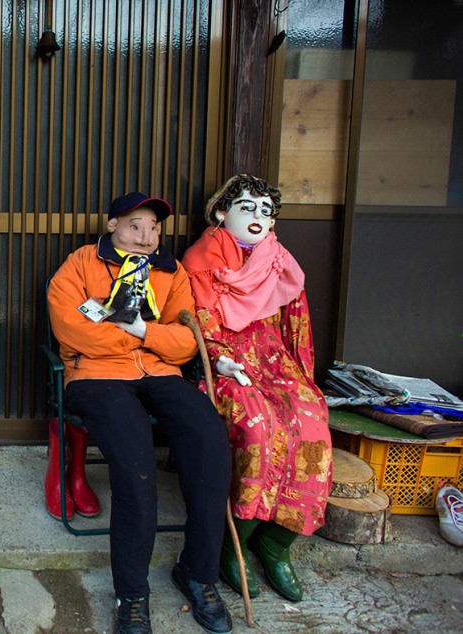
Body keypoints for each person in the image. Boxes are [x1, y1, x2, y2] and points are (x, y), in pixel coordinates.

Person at [47, 192, 233, 634]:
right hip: (96, 375)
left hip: (160, 373)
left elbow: (188, 341)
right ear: (112, 225)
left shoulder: (171, 272)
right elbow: (74, 331)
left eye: (154, 228)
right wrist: (146, 336)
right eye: (135, 225)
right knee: (135, 464)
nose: (146, 236)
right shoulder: (79, 264)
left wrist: (142, 331)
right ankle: (131, 593)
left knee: (210, 443)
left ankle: (197, 572)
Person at [181, 174, 332, 603]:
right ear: (221, 212)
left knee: (312, 427)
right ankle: (235, 544)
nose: (258, 217)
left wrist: (301, 378)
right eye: (247, 207)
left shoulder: (280, 261)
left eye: (266, 210)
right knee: (260, 431)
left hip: (277, 365)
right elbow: (193, 323)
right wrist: (216, 358)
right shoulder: (200, 262)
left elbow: (296, 329)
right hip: (226, 366)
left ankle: (277, 543)